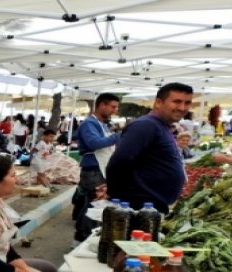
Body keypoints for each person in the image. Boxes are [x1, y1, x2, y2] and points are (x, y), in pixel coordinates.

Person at [106, 82, 192, 213]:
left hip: (151, 206)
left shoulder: (161, 126)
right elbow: (119, 162)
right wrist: (115, 196)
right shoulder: (146, 125)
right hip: (140, 207)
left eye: (187, 103)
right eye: (177, 101)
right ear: (158, 102)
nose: (182, 107)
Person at [73, 93, 120, 243]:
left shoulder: (102, 124)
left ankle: (80, 237)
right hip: (93, 169)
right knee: (95, 204)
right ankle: (84, 238)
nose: (115, 110)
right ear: (101, 105)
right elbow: (94, 143)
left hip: (99, 168)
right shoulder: (89, 124)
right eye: (113, 106)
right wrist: (118, 136)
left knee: (91, 203)